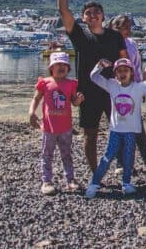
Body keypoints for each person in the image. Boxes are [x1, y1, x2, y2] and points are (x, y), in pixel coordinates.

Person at [56, 0, 127, 173]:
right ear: (84, 18)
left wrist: (128, 86)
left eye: (97, 12)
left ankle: (122, 166)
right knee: (90, 133)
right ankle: (95, 171)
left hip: (112, 90)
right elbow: (63, 10)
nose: (93, 15)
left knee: (120, 128)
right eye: (88, 13)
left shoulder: (115, 37)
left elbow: (125, 63)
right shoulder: (79, 36)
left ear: (103, 16)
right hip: (87, 92)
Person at [85, 58, 146, 198]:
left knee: (128, 156)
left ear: (131, 72)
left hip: (131, 131)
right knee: (108, 157)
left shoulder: (140, 87)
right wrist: (100, 65)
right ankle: (94, 184)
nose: (122, 73)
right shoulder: (112, 85)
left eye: (125, 70)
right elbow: (94, 77)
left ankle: (126, 183)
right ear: (115, 74)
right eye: (119, 71)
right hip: (116, 130)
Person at [28, 52, 84, 195]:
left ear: (68, 68)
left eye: (64, 65)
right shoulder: (45, 83)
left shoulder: (71, 84)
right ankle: (46, 181)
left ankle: (70, 179)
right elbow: (36, 99)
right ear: (51, 67)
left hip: (65, 128)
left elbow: (74, 102)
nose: (61, 67)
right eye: (57, 64)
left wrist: (78, 101)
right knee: (47, 154)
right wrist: (31, 112)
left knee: (67, 154)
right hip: (49, 127)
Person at [109, 15, 146, 167]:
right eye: (122, 27)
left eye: (128, 26)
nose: (126, 30)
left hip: (133, 89)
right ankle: (121, 162)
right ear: (113, 28)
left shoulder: (132, 44)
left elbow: (137, 67)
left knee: (138, 125)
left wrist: (141, 88)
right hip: (116, 90)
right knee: (119, 125)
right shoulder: (109, 44)